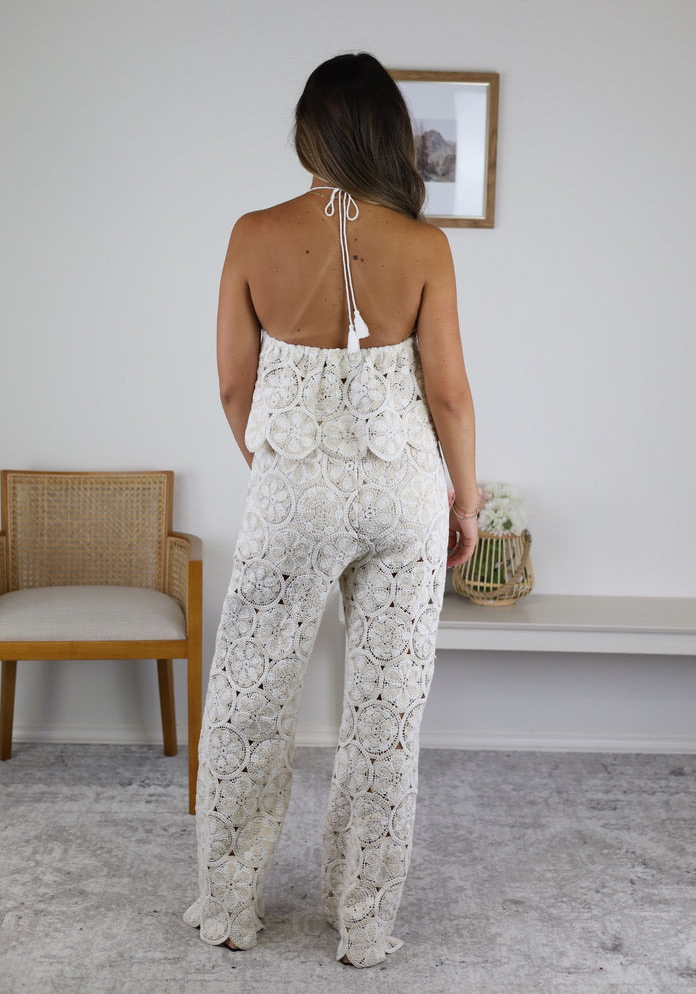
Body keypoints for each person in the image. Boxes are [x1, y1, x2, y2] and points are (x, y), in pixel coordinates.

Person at [184, 52, 479, 968]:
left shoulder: (253, 233)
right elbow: (449, 394)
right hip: (403, 494)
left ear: (307, 132)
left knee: (248, 698)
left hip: (294, 491)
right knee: (386, 710)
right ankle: (363, 924)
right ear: (388, 134)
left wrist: (276, 467)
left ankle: (229, 907)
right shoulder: (425, 245)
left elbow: (233, 386)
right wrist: (464, 498)